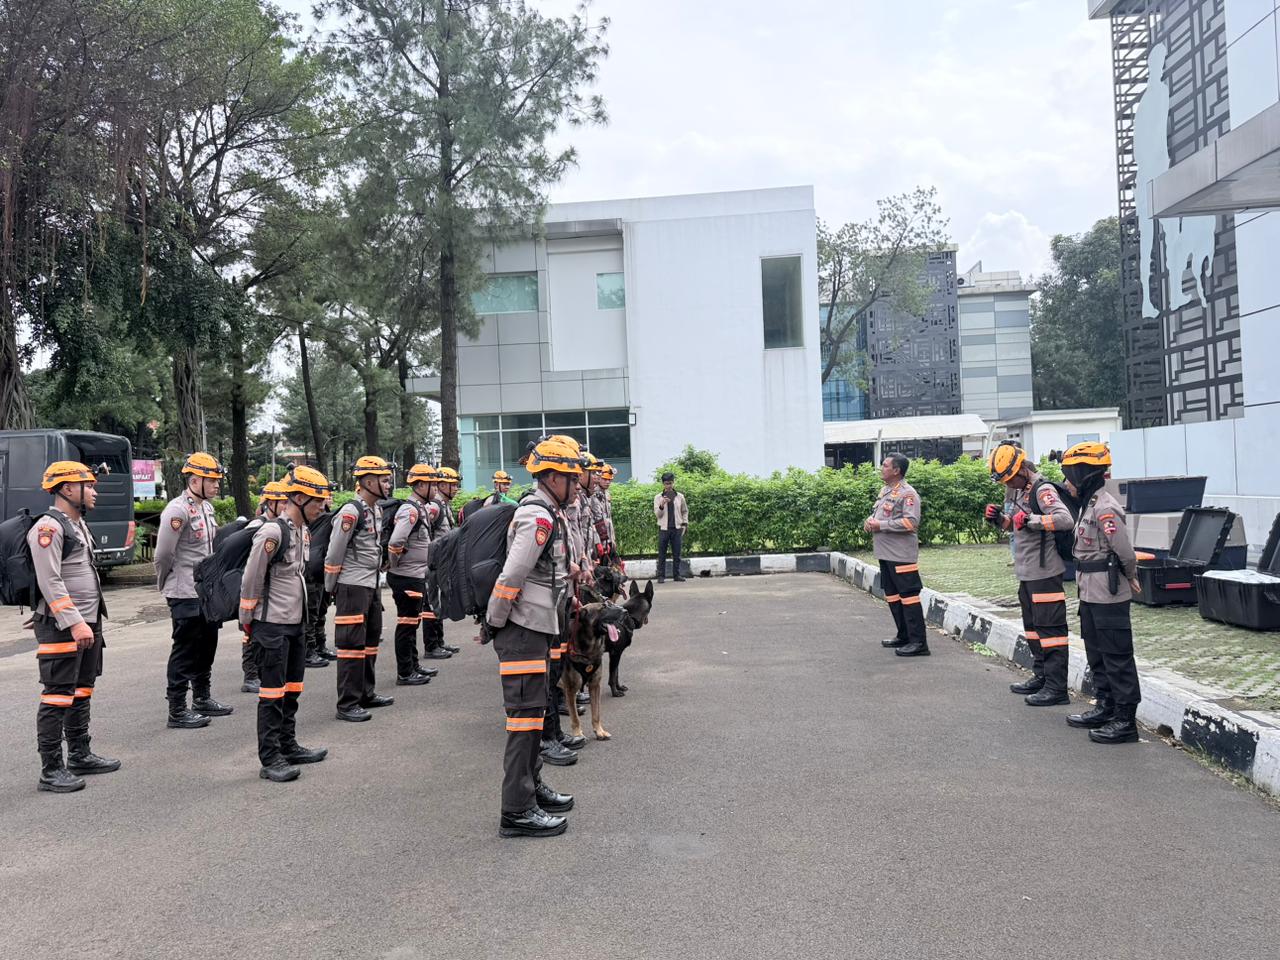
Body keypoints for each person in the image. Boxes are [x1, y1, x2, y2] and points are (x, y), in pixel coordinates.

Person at [482, 435, 580, 838]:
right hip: (521, 629)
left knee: (534, 716)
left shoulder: (549, 512)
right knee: (524, 722)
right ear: (553, 478)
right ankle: (517, 811)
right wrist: (494, 622)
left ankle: (532, 789)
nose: (578, 484)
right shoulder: (536, 517)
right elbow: (512, 576)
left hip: (535, 628)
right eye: (572, 478)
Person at [28, 461, 119, 793]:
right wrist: (75, 622)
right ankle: (51, 769)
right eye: (88, 486)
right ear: (67, 489)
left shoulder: (76, 524)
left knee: (82, 688)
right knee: (57, 695)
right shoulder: (48, 528)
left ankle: (80, 754)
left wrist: (87, 621)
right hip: (65, 624)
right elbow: (50, 580)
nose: (94, 492)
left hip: (87, 621)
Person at [240, 466, 332, 781]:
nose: (322, 506)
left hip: (295, 624)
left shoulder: (302, 531)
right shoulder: (272, 533)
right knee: (271, 694)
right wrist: (247, 622)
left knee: (292, 689)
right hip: (271, 626)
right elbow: (251, 579)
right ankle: (270, 759)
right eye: (317, 500)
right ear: (299, 498)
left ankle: (288, 745)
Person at [984, 441, 1076, 706]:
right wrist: (998, 519)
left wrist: (1032, 520)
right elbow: (1014, 526)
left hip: (1045, 572)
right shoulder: (1016, 490)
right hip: (1026, 572)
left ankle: (1057, 689)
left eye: (1010, 478)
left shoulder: (1042, 490)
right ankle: (1041, 677)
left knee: (1051, 631)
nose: (1008, 483)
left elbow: (1065, 520)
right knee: (1033, 629)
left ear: (1022, 469)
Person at [1062, 442, 1143, 744]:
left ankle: (1125, 721)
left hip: (1108, 594)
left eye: (1070, 475)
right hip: (1090, 593)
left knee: (1117, 657)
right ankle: (1106, 707)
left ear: (1083, 474)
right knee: (1097, 654)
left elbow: (1125, 551)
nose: (1066, 482)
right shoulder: (1089, 504)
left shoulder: (1105, 507)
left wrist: (1131, 576)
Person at [155, 452, 232, 729]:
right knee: (185, 650)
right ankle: (177, 709)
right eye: (212, 480)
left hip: (206, 592)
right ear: (195, 480)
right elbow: (163, 554)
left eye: (217, 481)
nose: (217, 485)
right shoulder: (177, 511)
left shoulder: (206, 508)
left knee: (207, 645)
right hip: (184, 591)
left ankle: (202, 697)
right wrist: (166, 583)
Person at [324, 455, 395, 722]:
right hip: (352, 586)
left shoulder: (375, 510)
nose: (388, 485)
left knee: (370, 640)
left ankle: (366, 693)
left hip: (370, 584)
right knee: (351, 645)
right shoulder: (350, 512)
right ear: (368, 481)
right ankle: (347, 703)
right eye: (384, 480)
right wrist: (332, 587)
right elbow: (334, 552)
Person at [865, 453, 928, 657]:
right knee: (893, 597)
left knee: (909, 598)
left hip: (901, 556)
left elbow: (911, 522)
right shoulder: (886, 491)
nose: (881, 468)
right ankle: (904, 636)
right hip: (886, 554)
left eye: (885, 465)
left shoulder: (908, 494)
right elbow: (881, 514)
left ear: (896, 470)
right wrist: (871, 521)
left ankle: (919, 643)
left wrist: (881, 525)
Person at [386, 463, 443, 686]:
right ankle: (405, 672)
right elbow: (396, 542)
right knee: (407, 625)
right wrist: (395, 566)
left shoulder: (419, 508)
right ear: (420, 485)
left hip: (415, 575)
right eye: (432, 484)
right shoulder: (409, 510)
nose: (436, 488)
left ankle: (414, 665)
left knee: (413, 623)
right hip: (406, 576)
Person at [240, 480, 295, 694]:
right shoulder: (258, 526)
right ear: (270, 503)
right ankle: (250, 675)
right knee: (249, 634)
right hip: (253, 587)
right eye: (282, 502)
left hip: (269, 590)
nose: (286, 506)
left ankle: (256, 673)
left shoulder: (283, 527)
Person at [304, 491, 338, 668]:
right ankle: (309, 650)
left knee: (321, 610)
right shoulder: (308, 517)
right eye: (323, 497)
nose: (327, 499)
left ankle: (320, 645)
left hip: (322, 570)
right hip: (310, 570)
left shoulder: (328, 517)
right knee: (311, 612)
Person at [654, 471, 689, 583]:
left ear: (673, 483)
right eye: (666, 483)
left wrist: (684, 524)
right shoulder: (658, 497)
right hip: (663, 529)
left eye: (670, 483)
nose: (668, 486)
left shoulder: (680, 496)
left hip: (677, 528)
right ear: (663, 484)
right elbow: (658, 515)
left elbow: (684, 511)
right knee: (662, 554)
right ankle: (661, 576)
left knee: (677, 553)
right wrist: (662, 504)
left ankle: (676, 575)